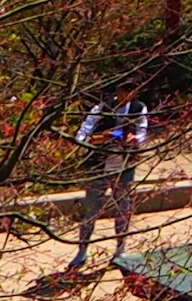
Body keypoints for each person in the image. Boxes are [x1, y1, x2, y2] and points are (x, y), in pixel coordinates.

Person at [66, 100, 149, 270]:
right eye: (124, 89)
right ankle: (82, 251)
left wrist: (134, 140)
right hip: (99, 167)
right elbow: (82, 135)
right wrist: (98, 139)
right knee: (91, 208)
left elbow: (142, 134)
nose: (127, 94)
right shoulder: (102, 108)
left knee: (123, 207)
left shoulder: (138, 108)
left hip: (124, 166)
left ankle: (120, 250)